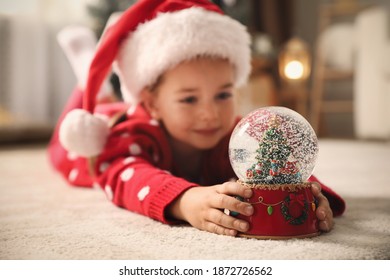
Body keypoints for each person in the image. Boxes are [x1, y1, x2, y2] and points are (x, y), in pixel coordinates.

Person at [48, 0, 345, 237]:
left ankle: (97, 83)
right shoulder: (132, 136)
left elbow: (278, 164)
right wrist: (185, 200)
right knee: (82, 125)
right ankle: (89, 79)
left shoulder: (235, 137)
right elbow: (129, 175)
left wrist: (312, 195)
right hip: (103, 133)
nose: (210, 113)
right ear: (152, 104)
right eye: (189, 99)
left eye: (223, 95)